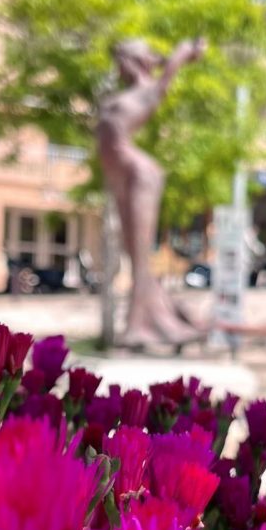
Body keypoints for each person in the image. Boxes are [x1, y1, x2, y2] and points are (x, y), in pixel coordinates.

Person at [96, 38, 206, 348]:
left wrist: (184, 52)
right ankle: (158, 318)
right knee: (134, 254)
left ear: (136, 61)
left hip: (139, 175)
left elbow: (169, 72)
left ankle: (138, 326)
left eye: (123, 60)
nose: (118, 67)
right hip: (121, 177)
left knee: (141, 255)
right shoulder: (127, 94)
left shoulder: (149, 89)